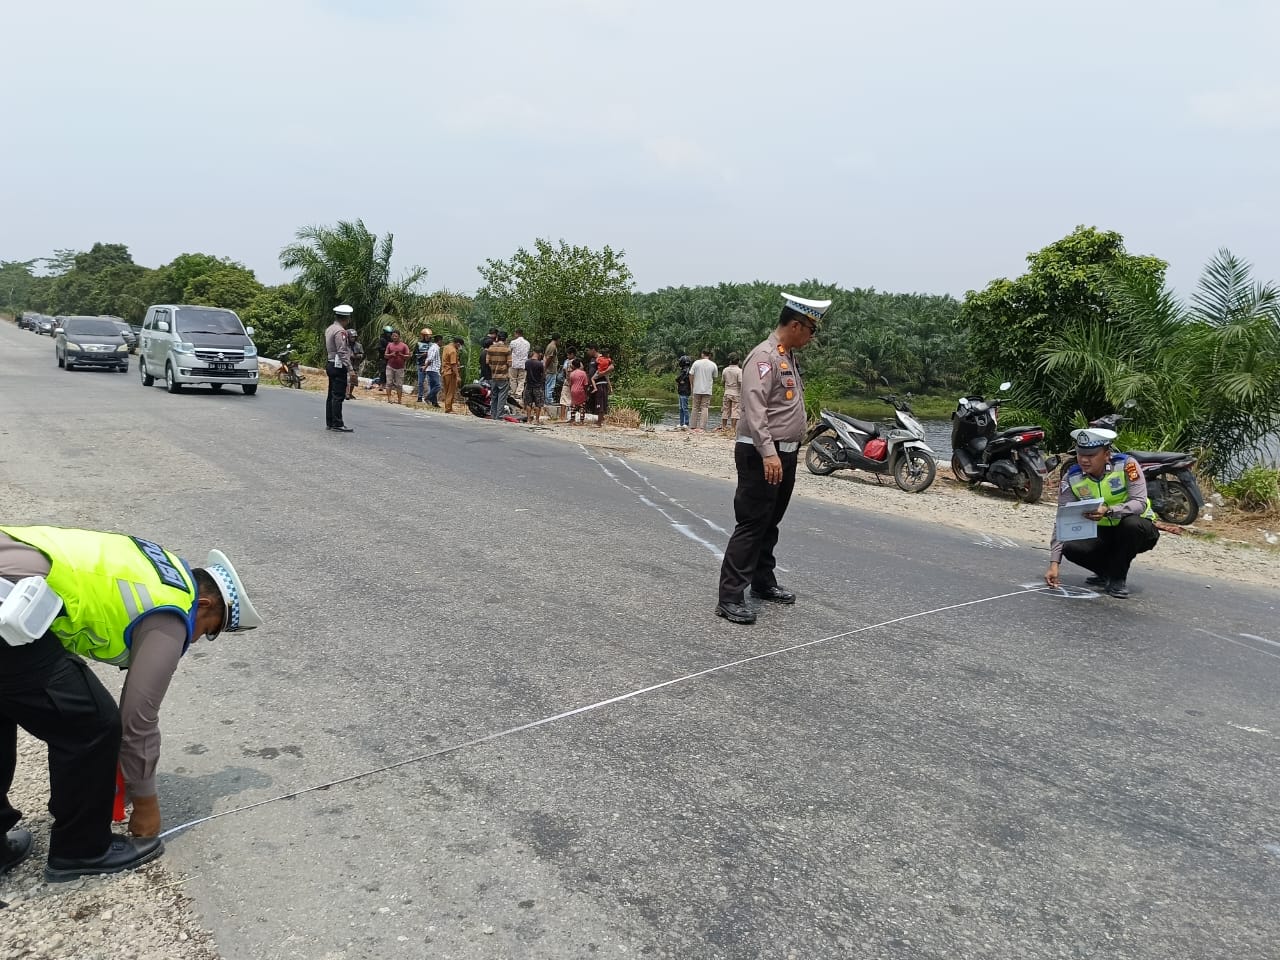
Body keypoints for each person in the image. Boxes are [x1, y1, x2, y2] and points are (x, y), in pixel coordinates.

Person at [0, 525, 261, 879]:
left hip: (10, 581)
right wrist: (146, 806)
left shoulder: (163, 567)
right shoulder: (173, 610)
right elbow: (137, 721)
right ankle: (82, 851)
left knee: (4, 705)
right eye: (211, 629)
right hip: (7, 600)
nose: (199, 639)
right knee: (91, 725)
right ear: (205, 604)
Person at [716, 293, 828, 624]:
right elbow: (754, 407)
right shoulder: (763, 357)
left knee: (770, 522)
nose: (811, 337)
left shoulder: (786, 356)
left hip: (785, 454)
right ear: (796, 325)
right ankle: (730, 595)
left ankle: (762, 582)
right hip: (763, 454)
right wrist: (769, 452)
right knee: (752, 523)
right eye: (811, 330)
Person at [1045, 427, 1160, 598]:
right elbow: (1063, 520)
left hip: (1136, 529)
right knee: (1070, 547)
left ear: (1106, 454)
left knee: (1132, 526)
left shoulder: (1126, 466)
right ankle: (1107, 572)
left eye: (1091, 455)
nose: (1084, 460)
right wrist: (1054, 563)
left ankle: (1117, 579)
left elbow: (1140, 503)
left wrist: (1110, 510)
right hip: (1101, 532)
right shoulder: (1072, 478)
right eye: (1080, 454)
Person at [324, 304, 355, 432]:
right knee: (338, 395)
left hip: (330, 363)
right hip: (338, 365)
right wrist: (350, 368)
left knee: (331, 395)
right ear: (346, 318)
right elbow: (342, 351)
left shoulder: (330, 328)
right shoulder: (340, 331)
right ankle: (337, 423)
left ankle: (330, 422)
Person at [689, 349, 718, 433]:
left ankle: (693, 426)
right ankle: (702, 428)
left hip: (696, 388)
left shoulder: (696, 363)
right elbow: (715, 377)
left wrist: (692, 385)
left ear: (702, 354)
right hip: (707, 389)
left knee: (695, 407)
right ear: (709, 355)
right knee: (704, 407)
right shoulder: (713, 365)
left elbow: (691, 374)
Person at [486, 331, 512, 419]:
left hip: (493, 376)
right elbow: (509, 363)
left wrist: (494, 367)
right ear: (505, 339)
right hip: (503, 376)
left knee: (494, 396)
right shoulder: (507, 349)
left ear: (497, 338)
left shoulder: (490, 348)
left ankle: (493, 414)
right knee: (502, 396)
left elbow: (487, 362)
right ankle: (499, 415)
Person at [383, 331, 410, 404]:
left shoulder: (404, 346)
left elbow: (408, 356)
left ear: (399, 337)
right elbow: (385, 355)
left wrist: (402, 355)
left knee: (399, 385)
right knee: (389, 383)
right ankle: (389, 398)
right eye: (393, 336)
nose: (394, 337)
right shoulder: (389, 345)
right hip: (390, 367)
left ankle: (399, 400)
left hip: (400, 368)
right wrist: (391, 354)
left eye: (396, 336)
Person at [720, 353, 742, 432]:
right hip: (736, 393)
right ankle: (733, 427)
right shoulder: (739, 371)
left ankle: (723, 426)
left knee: (725, 409)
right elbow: (740, 382)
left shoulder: (725, 370)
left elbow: (722, 381)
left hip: (727, 392)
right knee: (735, 410)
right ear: (738, 361)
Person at [524, 349, 546, 425]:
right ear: (538, 354)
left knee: (528, 403)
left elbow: (526, 372)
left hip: (529, 385)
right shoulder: (540, 364)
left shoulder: (527, 363)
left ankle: (528, 420)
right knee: (538, 404)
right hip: (537, 386)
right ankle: (537, 420)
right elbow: (543, 375)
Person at [509, 329, 530, 406]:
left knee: (513, 379)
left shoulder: (513, 342)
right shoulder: (527, 343)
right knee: (521, 380)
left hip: (514, 363)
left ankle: (513, 392)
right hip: (523, 364)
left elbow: (509, 352)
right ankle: (518, 393)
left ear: (516, 333)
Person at [441, 336, 463, 413]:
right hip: (450, 372)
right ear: (457, 343)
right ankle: (448, 409)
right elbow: (453, 364)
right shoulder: (453, 351)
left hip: (444, 371)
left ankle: (447, 407)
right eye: (460, 345)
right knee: (451, 391)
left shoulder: (446, 347)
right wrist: (457, 375)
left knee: (447, 391)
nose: (460, 347)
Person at [592, 352, 613, 428]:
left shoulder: (599, 363)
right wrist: (610, 387)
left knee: (600, 404)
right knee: (603, 403)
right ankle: (600, 420)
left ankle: (599, 422)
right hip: (604, 384)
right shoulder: (607, 366)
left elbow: (597, 360)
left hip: (599, 385)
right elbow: (608, 377)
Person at [567, 359, 590, 424]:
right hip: (580, 390)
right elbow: (585, 384)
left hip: (573, 390)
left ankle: (572, 419)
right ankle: (581, 420)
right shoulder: (583, 373)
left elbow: (570, 383)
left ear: (573, 366)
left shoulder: (571, 374)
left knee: (573, 405)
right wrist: (586, 392)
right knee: (582, 405)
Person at [414, 328, 433, 403]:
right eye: (427, 336)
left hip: (430, 365)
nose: (428, 337)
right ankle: (420, 396)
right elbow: (415, 355)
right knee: (420, 382)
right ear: (423, 336)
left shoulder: (432, 345)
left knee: (429, 382)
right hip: (421, 364)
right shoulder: (418, 344)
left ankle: (428, 397)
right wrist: (423, 354)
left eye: (429, 336)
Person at [344, 327, 364, 400]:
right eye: (352, 337)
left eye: (354, 337)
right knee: (347, 380)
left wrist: (356, 356)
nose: (353, 338)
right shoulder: (344, 345)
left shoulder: (359, 345)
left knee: (353, 380)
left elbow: (362, 355)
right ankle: (347, 394)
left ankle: (350, 393)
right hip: (346, 365)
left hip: (355, 365)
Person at [558, 347, 578, 421]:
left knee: (563, 400)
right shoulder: (579, 362)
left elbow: (568, 373)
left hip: (568, 383)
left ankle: (562, 417)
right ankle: (572, 417)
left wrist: (569, 382)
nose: (567, 357)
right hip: (576, 383)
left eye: (568, 355)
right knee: (573, 401)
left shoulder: (569, 362)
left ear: (572, 354)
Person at [375, 325, 395, 394]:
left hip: (391, 358)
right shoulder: (382, 339)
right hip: (383, 357)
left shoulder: (392, 340)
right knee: (383, 371)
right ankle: (381, 384)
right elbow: (379, 348)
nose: (389, 334)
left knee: (390, 372)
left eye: (390, 333)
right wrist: (387, 350)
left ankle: (389, 385)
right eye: (387, 333)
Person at [425, 334, 443, 407]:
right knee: (438, 386)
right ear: (439, 341)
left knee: (433, 386)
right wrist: (425, 367)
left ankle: (434, 403)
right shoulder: (435, 348)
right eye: (442, 341)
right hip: (433, 369)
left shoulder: (433, 347)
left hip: (432, 369)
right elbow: (430, 359)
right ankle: (428, 398)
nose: (442, 343)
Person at [676, 356, 693, 429]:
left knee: (684, 408)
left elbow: (678, 379)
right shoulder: (686, 370)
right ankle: (681, 423)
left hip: (684, 391)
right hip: (682, 391)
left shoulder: (686, 371)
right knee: (681, 408)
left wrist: (680, 381)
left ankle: (686, 423)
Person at [543, 333, 560, 405]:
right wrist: (545, 368)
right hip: (551, 370)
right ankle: (549, 400)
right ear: (558, 339)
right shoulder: (552, 347)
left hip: (550, 370)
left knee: (548, 385)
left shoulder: (550, 346)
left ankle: (548, 400)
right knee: (550, 385)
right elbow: (549, 358)